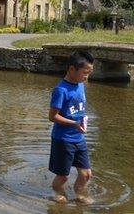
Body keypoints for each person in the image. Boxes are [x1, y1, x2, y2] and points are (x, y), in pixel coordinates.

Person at [48, 50, 94, 204]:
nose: (87, 76)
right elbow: (52, 116)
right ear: (72, 69)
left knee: (86, 174)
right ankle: (57, 191)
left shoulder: (80, 84)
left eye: (89, 73)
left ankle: (79, 195)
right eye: (85, 73)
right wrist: (74, 123)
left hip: (78, 137)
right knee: (63, 176)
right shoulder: (61, 90)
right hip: (63, 139)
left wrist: (82, 121)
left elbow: (78, 109)